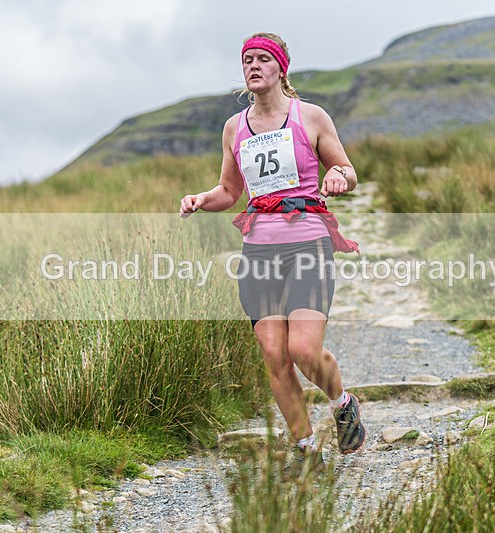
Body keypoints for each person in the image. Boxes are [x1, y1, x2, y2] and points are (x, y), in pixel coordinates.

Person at [179, 32, 365, 476]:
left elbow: (348, 170)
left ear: (281, 68)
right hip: (258, 252)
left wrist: (338, 177)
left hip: (307, 244)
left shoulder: (310, 116)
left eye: (263, 59)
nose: (253, 66)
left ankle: (342, 403)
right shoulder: (235, 127)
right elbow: (229, 191)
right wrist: (201, 199)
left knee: (303, 349)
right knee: (274, 355)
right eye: (247, 60)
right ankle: (306, 451)